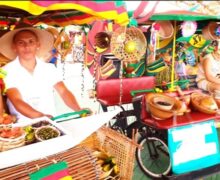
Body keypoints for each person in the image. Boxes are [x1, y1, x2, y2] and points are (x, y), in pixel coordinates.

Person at [0, 26, 85, 121]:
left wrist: (79, 110)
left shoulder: (49, 68)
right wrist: (40, 116)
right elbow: (16, 100)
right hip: (23, 126)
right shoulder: (6, 71)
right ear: (14, 47)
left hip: (53, 123)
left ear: (38, 45)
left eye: (31, 41)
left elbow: (63, 91)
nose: (27, 46)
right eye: (21, 43)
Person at [196, 39, 220, 106]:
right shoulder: (208, 59)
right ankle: (217, 105)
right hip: (204, 81)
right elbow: (208, 77)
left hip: (215, 80)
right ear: (215, 48)